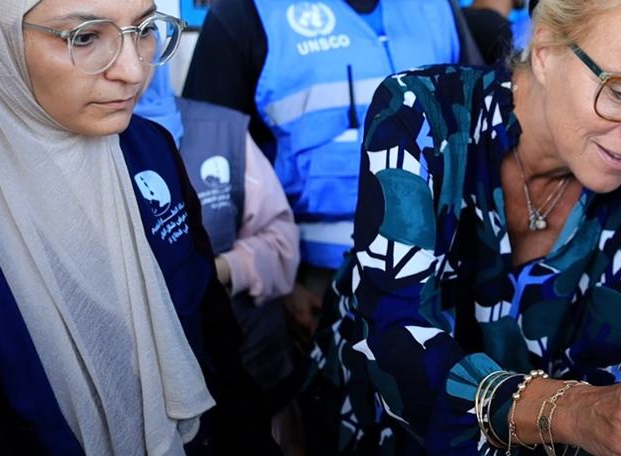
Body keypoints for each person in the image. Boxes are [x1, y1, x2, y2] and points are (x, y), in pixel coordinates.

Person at [311, 0, 621, 456]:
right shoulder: (422, 114)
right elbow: (397, 332)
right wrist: (571, 411)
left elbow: (611, 364)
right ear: (546, 51)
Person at [0, 0, 291, 456]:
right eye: (86, 37)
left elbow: (212, 341)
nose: (134, 69)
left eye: (142, 30)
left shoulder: (148, 151)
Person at [183, 0, 483, 353]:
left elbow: (481, 133)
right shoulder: (246, 14)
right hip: (313, 288)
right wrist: (286, 289)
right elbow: (208, 161)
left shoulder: (437, 9)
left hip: (443, 277)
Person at [137, 65, 303, 413]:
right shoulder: (74, 149)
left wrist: (221, 269)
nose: (126, 64)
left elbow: (281, 241)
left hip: (250, 362)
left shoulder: (220, 130)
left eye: (142, 33)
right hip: (147, 393)